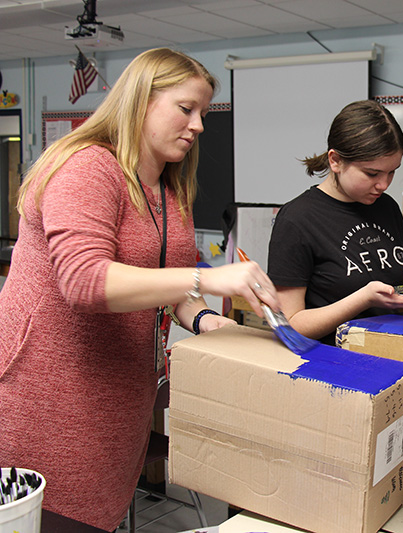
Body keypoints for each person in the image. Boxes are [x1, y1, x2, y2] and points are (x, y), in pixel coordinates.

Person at [0, 48, 280, 531]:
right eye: (185, 108)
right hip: (52, 399)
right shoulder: (87, 167)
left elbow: (168, 287)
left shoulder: (170, 191)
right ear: (140, 101)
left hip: (119, 401)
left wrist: (208, 320)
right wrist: (209, 277)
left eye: (204, 114)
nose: (198, 126)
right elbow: (84, 280)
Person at [267, 100, 403, 344]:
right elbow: (290, 326)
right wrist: (363, 298)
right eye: (372, 173)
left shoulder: (386, 207)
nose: (384, 184)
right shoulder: (297, 219)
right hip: (330, 365)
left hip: (389, 352)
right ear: (335, 161)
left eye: (392, 171)